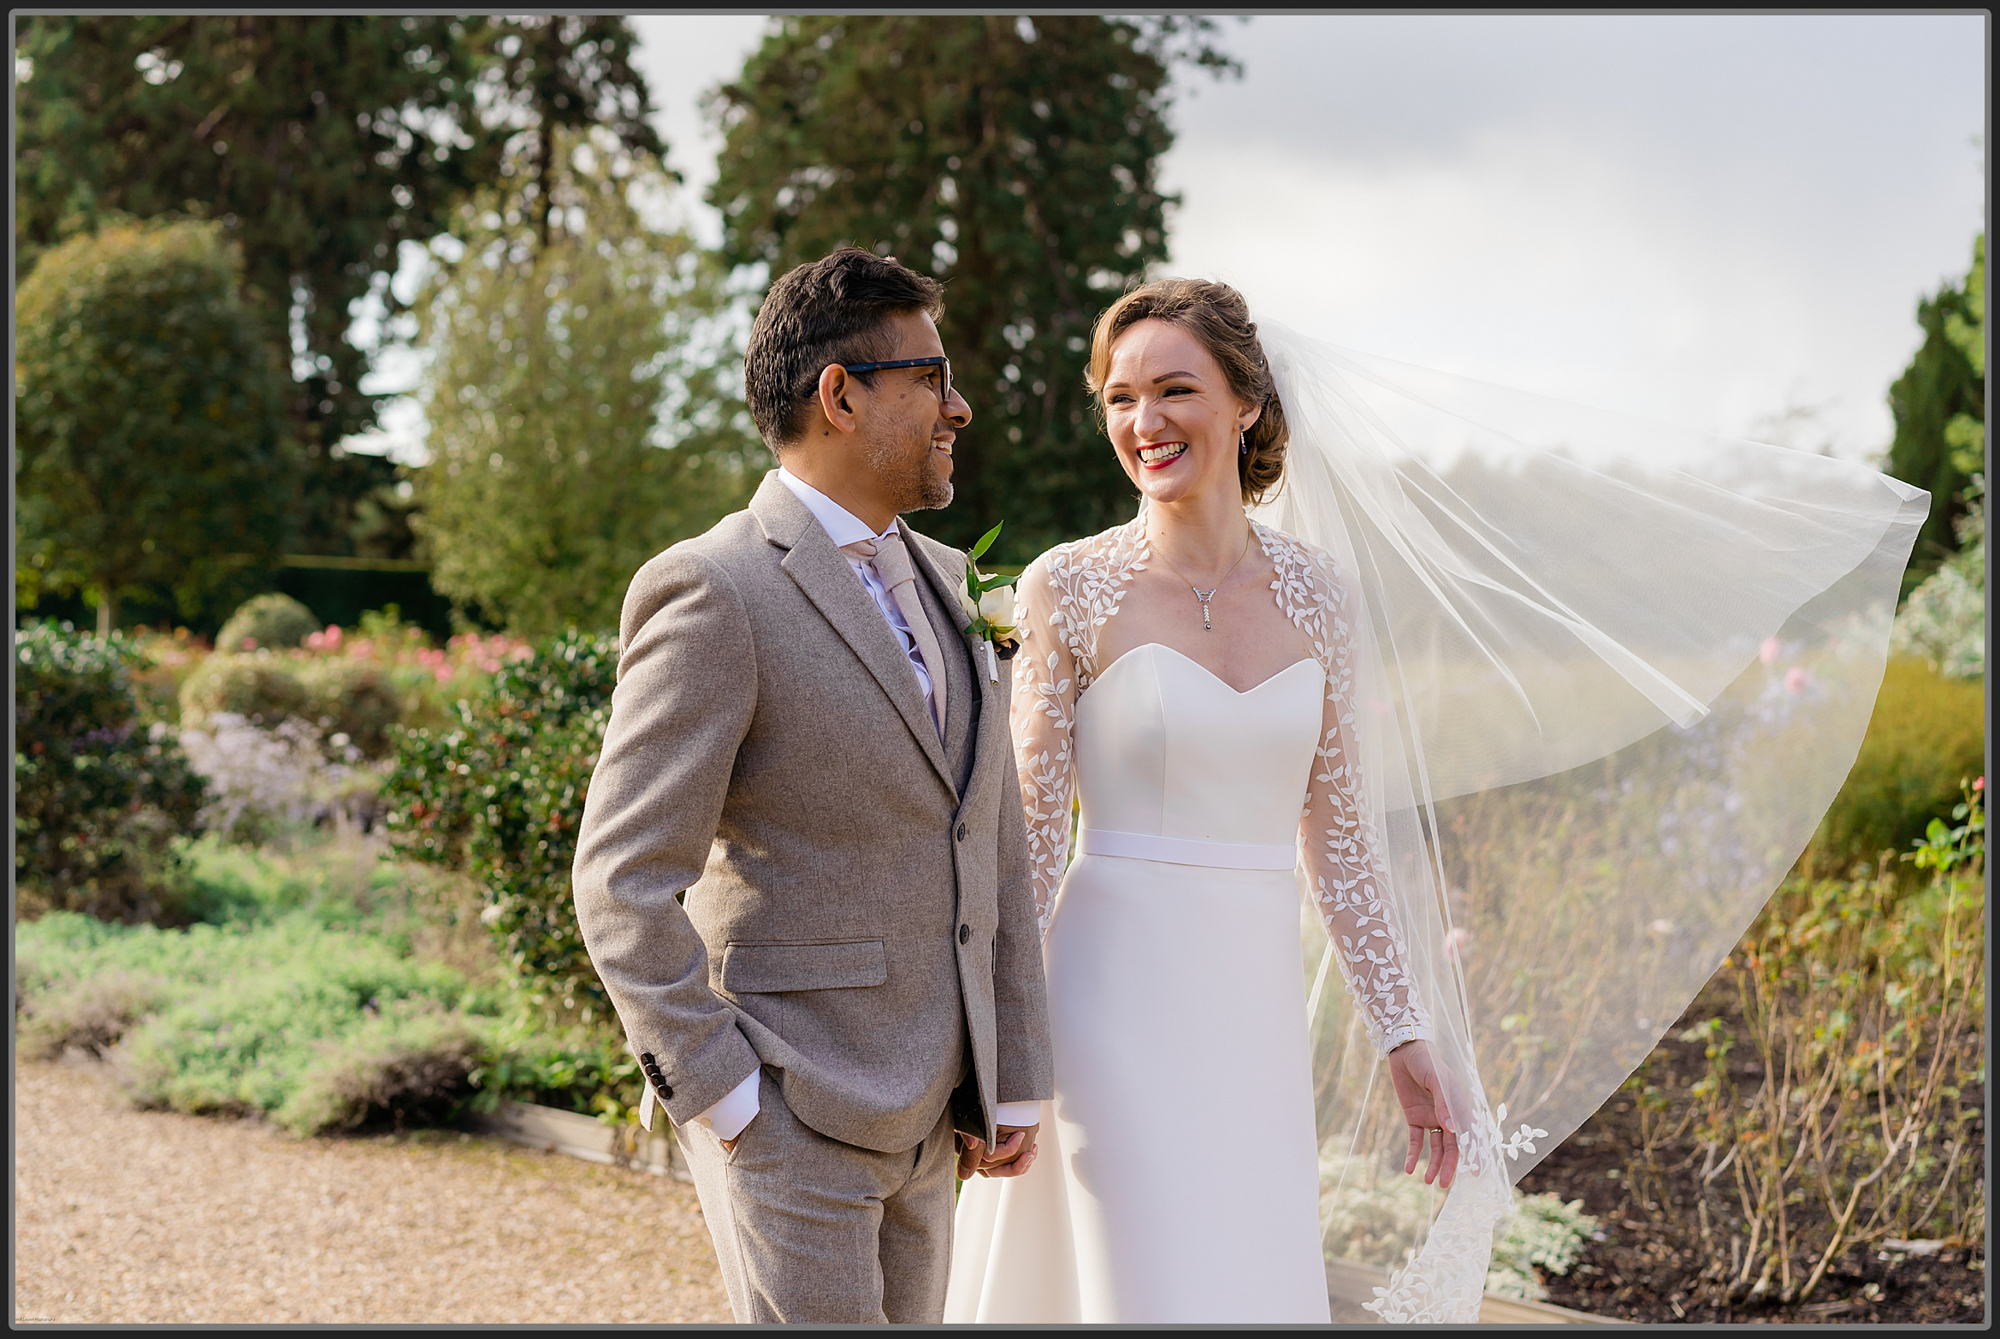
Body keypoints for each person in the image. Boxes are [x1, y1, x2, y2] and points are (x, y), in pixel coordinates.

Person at [946, 278, 1926, 1324]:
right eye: (1118, 398)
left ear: (1244, 403)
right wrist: (1005, 1046)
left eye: (1173, 389)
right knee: (1129, 1277)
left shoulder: (1319, 593)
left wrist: (1402, 1033)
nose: (1143, 423)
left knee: (1234, 1272)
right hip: (1105, 997)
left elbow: (1339, 840)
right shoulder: (1067, 586)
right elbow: (1031, 842)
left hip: (1246, 1001)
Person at [571, 247, 1052, 1325]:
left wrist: (1006, 1070)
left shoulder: (947, 584)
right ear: (839, 395)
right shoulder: (713, 588)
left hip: (936, 1123)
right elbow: (621, 880)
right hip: (790, 1112)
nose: (958, 406)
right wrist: (729, 1100)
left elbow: (991, 837)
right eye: (931, 375)